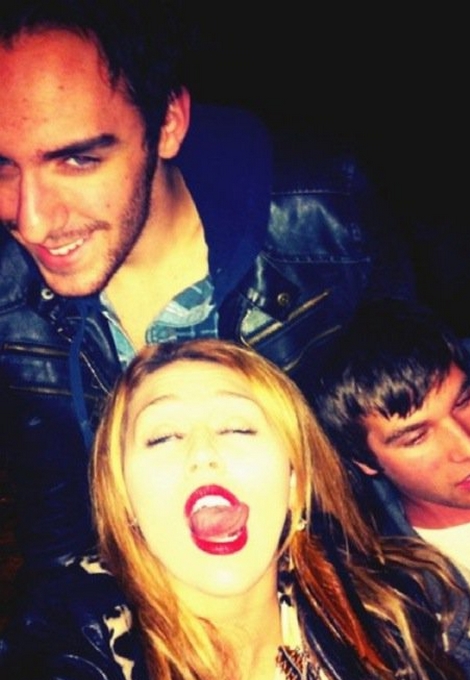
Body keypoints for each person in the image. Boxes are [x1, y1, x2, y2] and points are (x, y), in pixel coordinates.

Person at [0, 0, 415, 575]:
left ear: (168, 123)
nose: (31, 221)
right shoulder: (8, 298)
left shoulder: (326, 222)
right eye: (3, 166)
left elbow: (410, 402)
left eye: (78, 160)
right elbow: (58, 525)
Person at [0, 338, 470, 680]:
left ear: (295, 481)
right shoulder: (78, 636)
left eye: (237, 428)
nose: (203, 452)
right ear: (125, 500)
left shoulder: (388, 613)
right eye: (162, 437)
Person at [318, 297, 470, 680]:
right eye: (416, 436)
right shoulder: (417, 610)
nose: (469, 447)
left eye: (463, 401)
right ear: (365, 462)